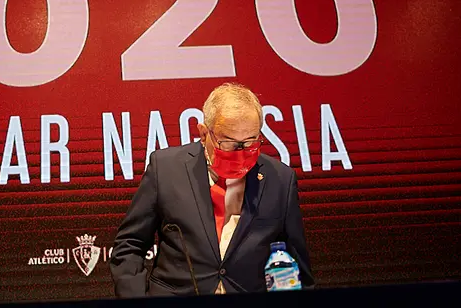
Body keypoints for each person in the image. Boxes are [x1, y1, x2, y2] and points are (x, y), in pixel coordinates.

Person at [109, 83, 314, 296]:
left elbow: (298, 263)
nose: (240, 153)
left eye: (250, 142)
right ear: (204, 133)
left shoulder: (280, 179)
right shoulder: (166, 168)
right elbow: (129, 245)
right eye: (228, 142)